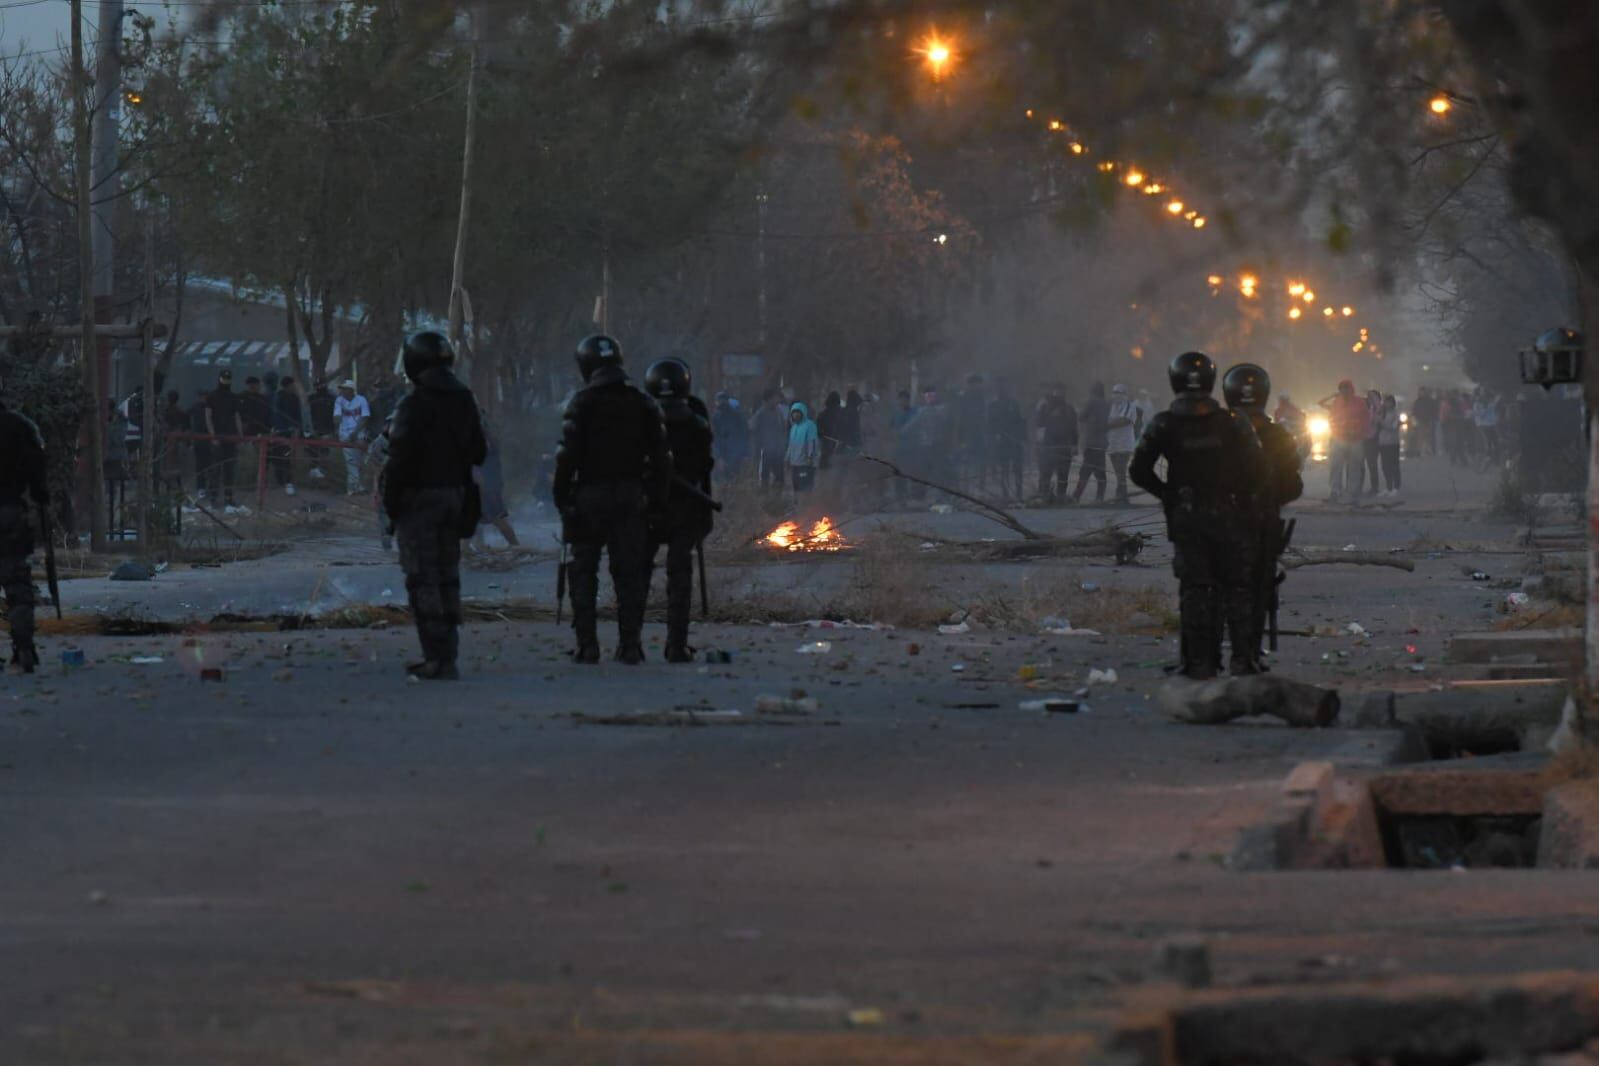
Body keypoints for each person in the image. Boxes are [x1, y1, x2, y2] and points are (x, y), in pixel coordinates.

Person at [1130, 352, 1264, 679]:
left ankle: (1197, 663)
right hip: (1229, 514)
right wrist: (1241, 497)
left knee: (1194, 590)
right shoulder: (1233, 422)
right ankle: (1243, 660)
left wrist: (1169, 494)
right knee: (1237, 588)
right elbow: (1259, 469)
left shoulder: (1164, 424)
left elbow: (1138, 470)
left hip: (1187, 516)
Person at [554, 334, 671, 665]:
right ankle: (630, 645)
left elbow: (566, 458)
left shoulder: (581, 403)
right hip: (631, 497)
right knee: (630, 574)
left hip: (589, 496)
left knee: (583, 571)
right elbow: (662, 460)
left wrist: (562, 499)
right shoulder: (643, 403)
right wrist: (657, 503)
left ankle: (587, 645)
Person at [380, 332, 486, 680]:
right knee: (448, 575)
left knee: (422, 577)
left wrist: (391, 506)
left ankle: (435, 657)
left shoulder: (414, 404)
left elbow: (398, 459)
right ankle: (449, 655)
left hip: (419, 499)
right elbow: (480, 451)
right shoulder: (464, 400)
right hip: (455, 495)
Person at [1223, 363, 1303, 672]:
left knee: (1215, 587)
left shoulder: (1216, 430)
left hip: (1220, 523)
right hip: (1261, 524)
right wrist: (1269, 502)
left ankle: (1205, 657)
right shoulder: (1278, 435)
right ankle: (1247, 655)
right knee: (1257, 590)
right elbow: (1293, 485)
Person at [643, 358, 715, 662]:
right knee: (679, 575)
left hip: (647, 507)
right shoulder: (697, 420)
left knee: (636, 575)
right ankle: (676, 644)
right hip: (684, 509)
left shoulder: (640, 415)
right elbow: (705, 468)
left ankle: (630, 643)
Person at [0, 372, 49, 673]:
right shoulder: (21, 427)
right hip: (10, 512)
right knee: (18, 584)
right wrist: (40, 495)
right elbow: (37, 467)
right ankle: (24, 646)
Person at [471, 408, 520, 550]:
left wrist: (480, 477)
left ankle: (515, 545)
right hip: (483, 483)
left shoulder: (482, 437)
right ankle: (472, 546)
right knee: (473, 515)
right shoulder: (481, 435)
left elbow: (481, 461)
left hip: (487, 484)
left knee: (495, 517)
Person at [1320, 379, 1369, 505]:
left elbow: (1366, 420)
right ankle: (1335, 492)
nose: (1344, 391)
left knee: (1354, 468)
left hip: (1356, 439)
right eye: (1342, 389)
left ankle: (1353, 495)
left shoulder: (1360, 402)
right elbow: (1331, 419)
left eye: (1346, 388)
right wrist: (1336, 431)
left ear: (1351, 389)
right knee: (1335, 467)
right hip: (1339, 438)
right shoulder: (1336, 402)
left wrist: (1359, 432)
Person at [202, 368, 244, 511]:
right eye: (224, 378)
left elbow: (237, 416)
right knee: (215, 469)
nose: (226, 381)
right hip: (218, 436)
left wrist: (240, 435)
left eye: (228, 378)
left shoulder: (233, 397)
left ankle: (228, 498)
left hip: (230, 436)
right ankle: (214, 498)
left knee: (229, 470)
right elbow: (208, 417)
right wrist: (213, 435)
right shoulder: (212, 396)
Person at [1034, 383, 1078, 503]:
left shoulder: (1069, 408)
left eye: (1062, 391)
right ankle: (1043, 497)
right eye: (1057, 391)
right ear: (1053, 391)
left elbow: (1074, 428)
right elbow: (1039, 426)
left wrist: (1075, 445)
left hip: (1064, 447)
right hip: (1048, 447)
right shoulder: (1044, 407)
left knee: (1063, 475)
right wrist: (1039, 444)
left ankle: (1061, 497)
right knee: (1045, 473)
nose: (1059, 393)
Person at [987, 379, 1027, 501]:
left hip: (1014, 441)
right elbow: (990, 424)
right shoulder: (993, 406)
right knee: (1004, 469)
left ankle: (1019, 493)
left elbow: (1020, 422)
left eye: (1005, 388)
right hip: (1001, 442)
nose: (1003, 391)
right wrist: (995, 436)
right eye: (1001, 388)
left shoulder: (1014, 404)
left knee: (1017, 469)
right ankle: (1005, 494)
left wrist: (1023, 438)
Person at [1073, 381, 1109, 504]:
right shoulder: (1105, 403)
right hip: (1102, 444)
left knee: (1085, 471)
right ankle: (1099, 498)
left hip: (1092, 443)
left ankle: (1076, 496)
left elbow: (1081, 417)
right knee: (1101, 473)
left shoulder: (1092, 401)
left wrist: (1078, 411)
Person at [334, 379, 371, 494]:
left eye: (345, 389)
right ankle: (353, 488)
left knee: (360, 461)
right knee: (350, 461)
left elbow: (365, 417)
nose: (343, 391)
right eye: (342, 389)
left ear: (351, 390)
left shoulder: (361, 400)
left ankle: (358, 486)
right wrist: (337, 428)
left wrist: (355, 433)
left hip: (359, 433)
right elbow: (336, 417)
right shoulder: (339, 400)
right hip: (345, 433)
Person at [1105, 383, 1139, 504]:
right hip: (1112, 443)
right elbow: (1110, 420)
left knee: (1121, 468)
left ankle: (1122, 494)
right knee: (1117, 470)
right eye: (1114, 392)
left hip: (1125, 444)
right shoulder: (1111, 406)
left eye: (1119, 393)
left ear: (1124, 394)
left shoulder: (1130, 405)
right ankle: (1121, 493)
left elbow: (1123, 420)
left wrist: (1107, 424)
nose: (1116, 395)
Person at [750, 390, 789, 492]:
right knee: (765, 478)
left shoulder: (778, 411)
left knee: (779, 477)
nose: (778, 400)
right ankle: (766, 500)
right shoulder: (761, 413)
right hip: (766, 451)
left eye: (778, 398)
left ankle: (777, 499)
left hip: (778, 450)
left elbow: (783, 429)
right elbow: (752, 429)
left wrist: (784, 445)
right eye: (775, 398)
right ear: (768, 399)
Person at [270, 376, 303, 496]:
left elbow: (297, 416)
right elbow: (276, 415)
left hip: (288, 431)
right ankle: (283, 482)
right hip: (281, 432)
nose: (293, 387)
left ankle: (287, 482)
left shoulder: (294, 398)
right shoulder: (278, 397)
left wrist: (297, 429)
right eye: (292, 385)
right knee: (279, 457)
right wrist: (279, 429)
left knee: (286, 457)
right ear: (289, 385)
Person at [956, 374, 988, 491]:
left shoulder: (981, 397)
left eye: (978, 384)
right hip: (968, 433)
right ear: (971, 385)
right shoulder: (964, 398)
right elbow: (960, 418)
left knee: (982, 460)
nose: (977, 387)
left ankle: (981, 486)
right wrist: (961, 437)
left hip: (978, 432)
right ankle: (965, 487)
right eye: (975, 384)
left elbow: (984, 415)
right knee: (966, 461)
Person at [710, 391, 749, 485]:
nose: (721, 402)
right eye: (719, 400)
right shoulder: (716, 415)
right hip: (725, 452)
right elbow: (715, 436)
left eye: (722, 400)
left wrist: (744, 453)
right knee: (726, 479)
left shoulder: (736, 415)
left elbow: (743, 434)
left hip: (732, 452)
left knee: (731, 479)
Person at [104, 400, 130, 534]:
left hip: (116, 458)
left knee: (116, 492)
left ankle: (116, 522)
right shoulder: (106, 420)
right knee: (108, 492)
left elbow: (117, 439)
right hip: (106, 459)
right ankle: (109, 522)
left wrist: (108, 426)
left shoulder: (120, 421)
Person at [786, 401, 820, 494]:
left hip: (805, 464)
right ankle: (798, 505)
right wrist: (787, 458)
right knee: (796, 486)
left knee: (805, 486)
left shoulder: (810, 425)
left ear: (802, 413)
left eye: (798, 413)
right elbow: (790, 445)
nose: (795, 415)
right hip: (795, 463)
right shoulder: (793, 428)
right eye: (794, 413)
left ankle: (806, 505)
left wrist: (809, 457)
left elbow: (811, 443)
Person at [307, 378, 336, 481]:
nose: (320, 387)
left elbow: (335, 415)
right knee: (313, 453)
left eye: (322, 384)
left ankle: (326, 479)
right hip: (314, 429)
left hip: (327, 430)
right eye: (318, 385)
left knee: (325, 454)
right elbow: (307, 414)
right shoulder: (311, 398)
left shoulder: (332, 398)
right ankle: (314, 476)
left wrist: (333, 430)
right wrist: (310, 428)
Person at [1377, 394, 1403, 495]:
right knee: (1385, 466)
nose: (1387, 404)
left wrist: (1382, 422)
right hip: (1383, 443)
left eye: (1389, 402)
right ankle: (1388, 487)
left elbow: (1393, 427)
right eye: (1385, 401)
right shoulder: (1382, 413)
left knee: (1394, 465)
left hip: (1393, 443)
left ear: (1393, 403)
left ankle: (1396, 487)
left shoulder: (1396, 414)